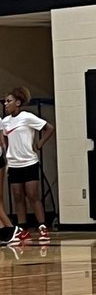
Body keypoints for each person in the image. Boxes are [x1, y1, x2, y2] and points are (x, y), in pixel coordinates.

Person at [2, 87, 54, 245]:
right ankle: (23, 229)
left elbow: (49, 128)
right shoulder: (5, 122)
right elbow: (4, 139)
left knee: (32, 195)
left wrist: (39, 144)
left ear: (18, 103)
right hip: (14, 164)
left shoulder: (27, 117)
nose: (6, 104)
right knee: (18, 197)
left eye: (9, 101)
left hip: (29, 162)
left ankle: (42, 226)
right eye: (5, 101)